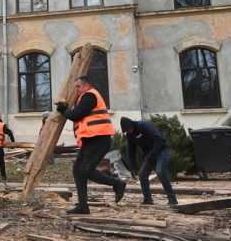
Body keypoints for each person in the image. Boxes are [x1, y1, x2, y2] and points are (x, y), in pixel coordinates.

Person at [56, 75, 126, 214]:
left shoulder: (90, 96)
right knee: (78, 170)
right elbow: (77, 115)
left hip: (99, 139)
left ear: (86, 85)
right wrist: (67, 108)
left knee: (85, 170)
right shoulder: (83, 97)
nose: (76, 89)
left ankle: (117, 183)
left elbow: (76, 115)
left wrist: (63, 110)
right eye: (75, 87)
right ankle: (83, 206)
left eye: (78, 86)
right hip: (90, 140)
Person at [120, 116, 178, 206]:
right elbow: (131, 152)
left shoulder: (145, 126)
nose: (128, 132)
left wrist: (152, 154)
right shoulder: (130, 136)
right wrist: (132, 168)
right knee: (142, 174)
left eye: (129, 129)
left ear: (132, 125)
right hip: (149, 154)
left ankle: (172, 199)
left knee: (160, 172)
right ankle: (147, 199)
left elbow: (159, 140)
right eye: (126, 131)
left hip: (162, 150)